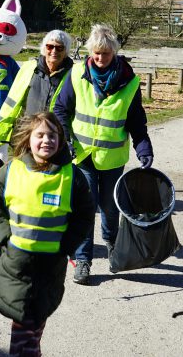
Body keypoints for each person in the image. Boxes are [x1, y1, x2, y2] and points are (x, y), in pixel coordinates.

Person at [0, 112, 95, 357]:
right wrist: (5, 237)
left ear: (61, 140)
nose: (46, 140)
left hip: (51, 264)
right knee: (24, 322)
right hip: (17, 263)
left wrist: (68, 245)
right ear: (28, 139)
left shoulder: (72, 176)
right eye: (40, 135)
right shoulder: (12, 170)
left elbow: (85, 214)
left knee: (37, 318)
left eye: (52, 135)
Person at [53, 23, 154, 285]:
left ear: (115, 53)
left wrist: (143, 148)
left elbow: (136, 120)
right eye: (96, 53)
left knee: (110, 208)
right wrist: (65, 140)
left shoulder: (129, 82)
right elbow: (61, 109)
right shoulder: (77, 74)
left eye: (105, 54)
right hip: (83, 155)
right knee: (85, 209)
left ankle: (111, 244)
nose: (99, 59)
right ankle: (83, 259)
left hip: (112, 159)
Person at [0, 30, 74, 147]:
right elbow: (12, 102)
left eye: (59, 48)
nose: (54, 51)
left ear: (66, 52)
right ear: (44, 48)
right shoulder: (29, 68)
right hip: (26, 133)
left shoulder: (73, 74)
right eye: (50, 47)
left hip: (54, 137)